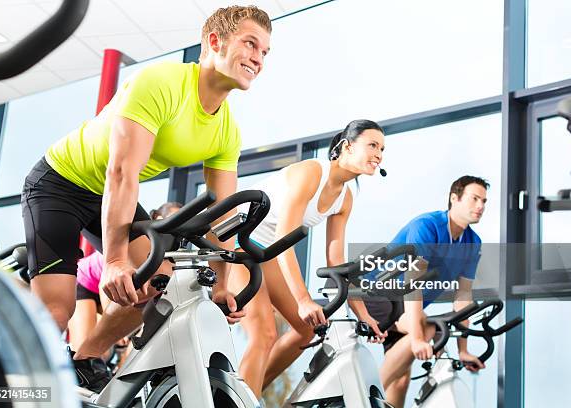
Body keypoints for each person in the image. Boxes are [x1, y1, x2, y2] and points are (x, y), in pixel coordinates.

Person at [20, 5, 271, 392]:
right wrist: (116, 259)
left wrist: (223, 283)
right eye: (250, 43)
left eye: (265, 52)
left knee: (160, 287)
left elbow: (225, 214)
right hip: (60, 183)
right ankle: (9, 386)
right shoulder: (161, 82)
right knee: (55, 313)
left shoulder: (226, 131)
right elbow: (122, 171)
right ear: (215, 41)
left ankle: (86, 358)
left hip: (107, 192)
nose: (258, 57)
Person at [228, 119, 388, 398]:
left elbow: (337, 264)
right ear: (346, 147)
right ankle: (241, 400)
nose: (379, 154)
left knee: (306, 330)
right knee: (264, 333)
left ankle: (244, 396)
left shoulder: (345, 198)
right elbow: (283, 236)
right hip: (236, 239)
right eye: (372, 145)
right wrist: (303, 299)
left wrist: (364, 315)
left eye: (382, 149)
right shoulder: (311, 173)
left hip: (267, 251)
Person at [365, 175, 489, 408]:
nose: (480, 206)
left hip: (407, 303)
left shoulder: (473, 242)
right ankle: (362, 401)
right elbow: (414, 282)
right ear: (455, 198)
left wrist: (463, 350)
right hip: (378, 292)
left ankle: (370, 398)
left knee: (401, 380)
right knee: (425, 328)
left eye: (484, 201)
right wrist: (418, 338)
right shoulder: (427, 227)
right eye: (474, 199)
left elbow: (463, 298)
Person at [67, 202, 182, 361]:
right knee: (96, 353)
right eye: (173, 219)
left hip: (119, 288)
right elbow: (105, 284)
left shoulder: (170, 255)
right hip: (87, 283)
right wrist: (113, 325)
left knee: (137, 340)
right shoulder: (140, 242)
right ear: (158, 218)